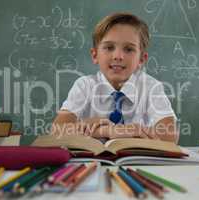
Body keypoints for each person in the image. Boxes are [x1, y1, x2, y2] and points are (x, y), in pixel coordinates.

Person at [51, 12, 179, 143]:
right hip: (93, 161)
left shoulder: (151, 87)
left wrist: (90, 130)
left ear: (141, 59)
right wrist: (109, 131)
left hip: (136, 162)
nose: (118, 56)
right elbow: (57, 130)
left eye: (128, 49)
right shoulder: (84, 86)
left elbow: (170, 135)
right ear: (95, 55)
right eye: (109, 47)